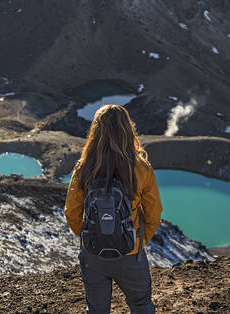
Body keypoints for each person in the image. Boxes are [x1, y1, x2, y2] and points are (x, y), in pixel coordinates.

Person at [64, 104, 163, 314]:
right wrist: (137, 242)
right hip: (130, 253)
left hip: (93, 255)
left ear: (96, 131)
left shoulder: (84, 167)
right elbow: (154, 213)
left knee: (97, 310)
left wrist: (90, 238)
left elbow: (72, 212)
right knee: (141, 305)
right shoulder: (140, 167)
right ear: (128, 130)